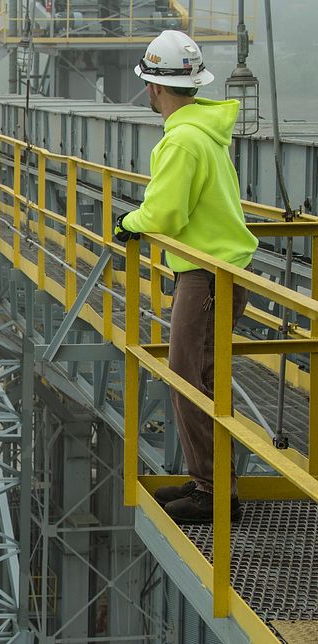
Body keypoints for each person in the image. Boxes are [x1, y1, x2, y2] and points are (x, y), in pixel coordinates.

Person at [113, 30, 259, 524]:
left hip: (205, 275)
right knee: (206, 378)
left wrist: (128, 223)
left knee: (186, 376)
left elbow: (164, 214)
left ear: (154, 88)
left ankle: (212, 492)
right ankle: (212, 483)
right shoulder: (206, 133)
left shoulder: (181, 141)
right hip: (222, 270)